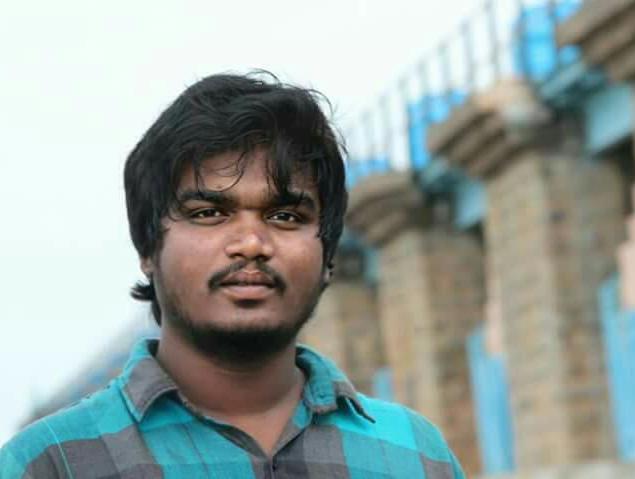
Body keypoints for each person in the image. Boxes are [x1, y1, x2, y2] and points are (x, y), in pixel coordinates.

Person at [0, 72, 465, 478]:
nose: (251, 243)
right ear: (148, 247)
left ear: (328, 254)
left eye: (285, 216)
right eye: (209, 213)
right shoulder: (52, 463)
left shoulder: (414, 456)